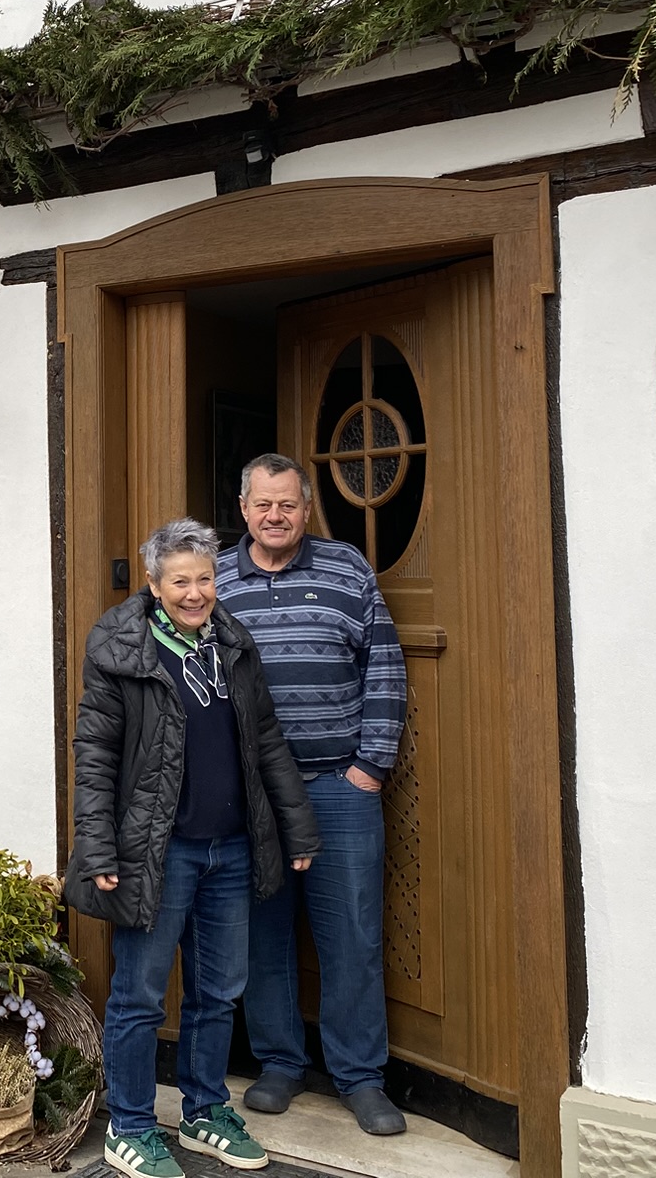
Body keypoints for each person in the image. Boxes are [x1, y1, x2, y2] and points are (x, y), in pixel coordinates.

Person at [66, 517, 322, 1178]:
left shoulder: (232, 643)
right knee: (140, 997)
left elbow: (266, 740)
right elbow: (95, 756)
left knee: (218, 991)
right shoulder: (120, 648)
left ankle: (205, 1111)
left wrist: (296, 828)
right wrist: (98, 850)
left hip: (229, 851)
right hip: (158, 853)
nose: (194, 593)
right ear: (154, 584)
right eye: (180, 581)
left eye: (204, 579)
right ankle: (130, 1125)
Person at [215, 453, 408, 1137]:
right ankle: (279, 1063)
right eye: (263, 504)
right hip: (254, 798)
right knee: (263, 933)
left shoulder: (347, 569)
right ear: (244, 509)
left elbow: (385, 666)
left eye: (288, 505)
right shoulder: (215, 582)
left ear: (305, 509)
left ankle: (361, 1076)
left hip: (338, 787)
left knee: (352, 933)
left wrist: (370, 767)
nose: (276, 516)